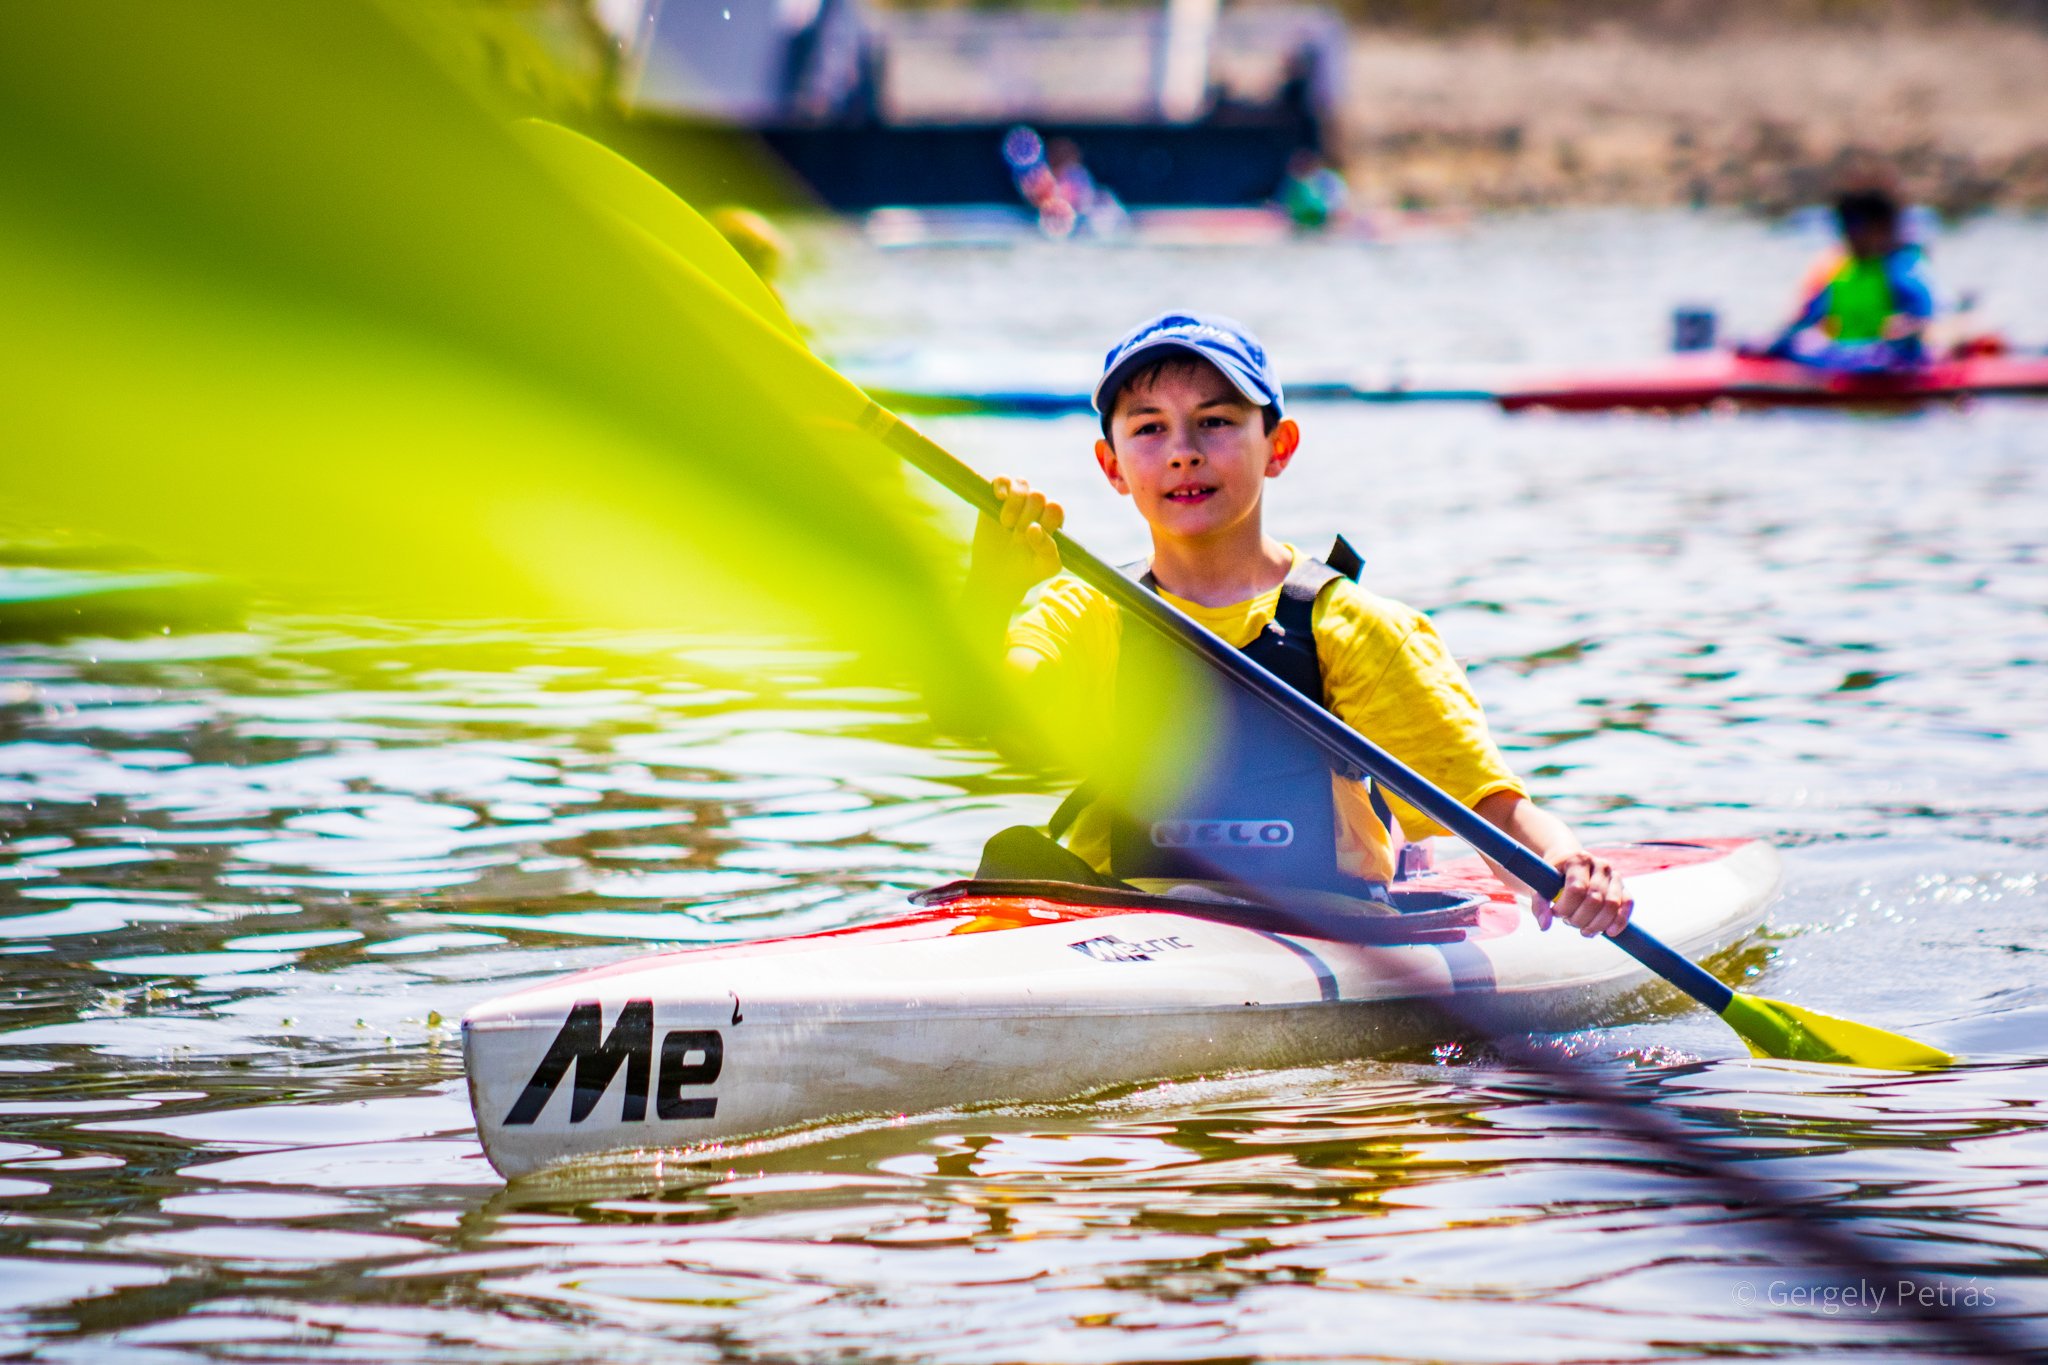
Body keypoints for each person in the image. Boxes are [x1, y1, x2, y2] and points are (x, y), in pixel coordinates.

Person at [958, 311, 1633, 938]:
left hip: (1326, 928)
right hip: (1126, 924)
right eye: (1148, 428)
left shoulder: (1356, 629)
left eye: (1215, 422)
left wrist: (1567, 865)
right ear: (1112, 466)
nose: (1183, 452)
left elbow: (1494, 813)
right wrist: (990, 588)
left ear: (1278, 446)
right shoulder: (1087, 608)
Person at [1752, 186, 1935, 372]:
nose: (1847, 234)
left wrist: (1908, 327)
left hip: (1888, 359)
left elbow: (1926, 319)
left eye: (1855, 225)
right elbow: (1805, 319)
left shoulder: (1900, 269)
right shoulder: (1837, 269)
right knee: (1794, 343)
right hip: (1845, 356)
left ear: (1883, 227)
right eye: (1843, 225)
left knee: (1893, 354)